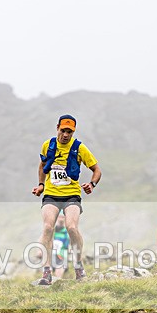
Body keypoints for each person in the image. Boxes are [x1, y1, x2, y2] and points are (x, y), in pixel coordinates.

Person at [32, 115, 102, 285]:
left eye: (69, 132)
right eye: (63, 130)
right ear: (57, 127)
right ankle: (46, 271)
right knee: (48, 227)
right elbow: (42, 165)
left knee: (71, 227)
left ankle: (78, 266)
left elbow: (97, 170)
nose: (65, 134)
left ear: (73, 132)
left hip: (72, 194)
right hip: (51, 194)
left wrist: (92, 184)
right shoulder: (48, 145)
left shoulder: (79, 148)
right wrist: (41, 185)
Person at [52, 214, 70, 278]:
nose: (61, 219)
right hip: (52, 254)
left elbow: (71, 243)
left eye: (63, 217)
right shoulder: (52, 230)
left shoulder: (67, 231)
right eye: (60, 217)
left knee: (59, 273)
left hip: (62, 255)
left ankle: (58, 281)